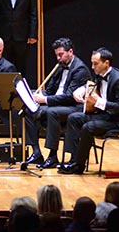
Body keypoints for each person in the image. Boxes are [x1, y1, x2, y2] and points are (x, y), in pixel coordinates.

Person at [59, 47, 119, 175]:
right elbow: (92, 84)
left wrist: (99, 102)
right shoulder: (101, 74)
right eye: (92, 63)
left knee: (88, 127)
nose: (93, 66)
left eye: (96, 63)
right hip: (106, 115)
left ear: (106, 63)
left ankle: (79, 166)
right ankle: (73, 160)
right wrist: (81, 89)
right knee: (73, 118)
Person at [24, 37, 91, 169]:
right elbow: (50, 90)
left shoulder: (80, 69)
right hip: (58, 104)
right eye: (57, 55)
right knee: (28, 109)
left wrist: (45, 100)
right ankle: (36, 152)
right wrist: (38, 95)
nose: (58, 58)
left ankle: (53, 156)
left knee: (51, 112)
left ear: (70, 52)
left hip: (74, 107)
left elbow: (69, 97)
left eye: (61, 54)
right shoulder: (60, 66)